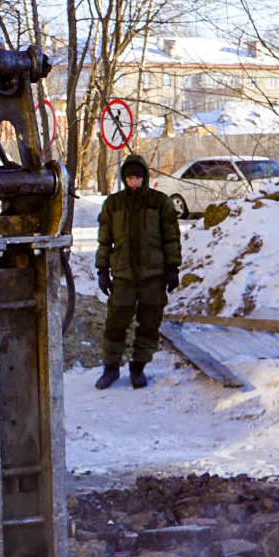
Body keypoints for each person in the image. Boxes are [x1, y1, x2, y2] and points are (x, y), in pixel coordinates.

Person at [93, 153, 182, 389]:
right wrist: (102, 270)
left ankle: (138, 366)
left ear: (145, 178)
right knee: (115, 322)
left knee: (150, 322)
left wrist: (173, 268)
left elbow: (171, 238)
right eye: (131, 178)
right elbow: (105, 241)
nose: (135, 182)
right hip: (123, 274)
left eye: (139, 178)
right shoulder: (113, 204)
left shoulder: (160, 202)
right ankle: (111, 368)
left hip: (154, 274)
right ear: (124, 179)